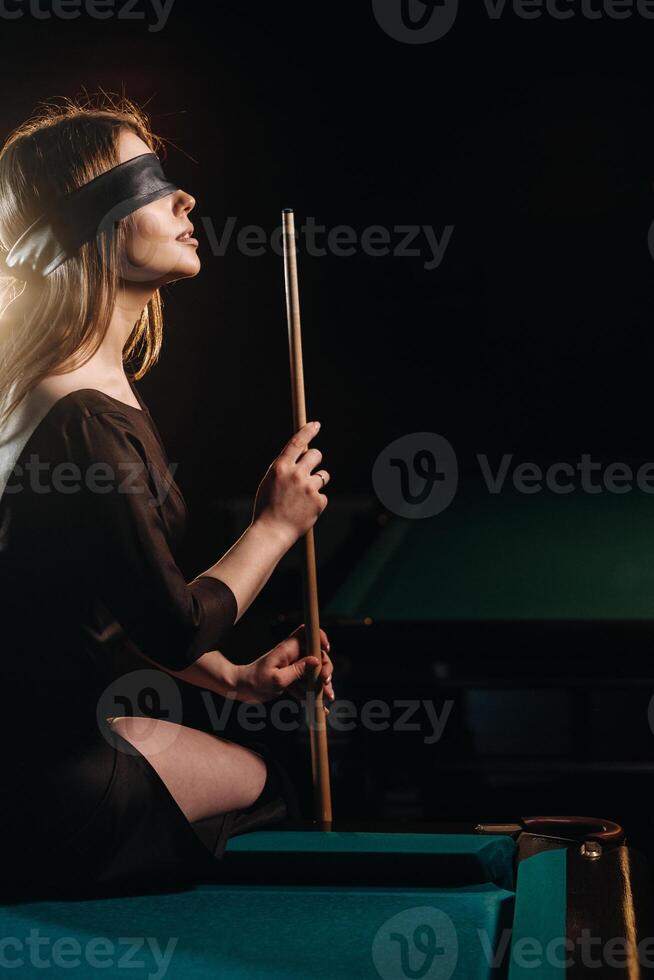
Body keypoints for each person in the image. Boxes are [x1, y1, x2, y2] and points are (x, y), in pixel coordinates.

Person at [0, 95, 334, 895]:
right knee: (271, 779)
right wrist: (276, 527)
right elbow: (170, 624)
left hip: (32, 762)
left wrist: (237, 681)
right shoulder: (82, 416)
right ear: (97, 225)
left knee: (176, 736)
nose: (184, 200)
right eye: (147, 185)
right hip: (43, 794)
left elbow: (112, 603)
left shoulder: (50, 390)